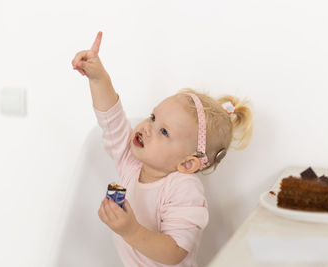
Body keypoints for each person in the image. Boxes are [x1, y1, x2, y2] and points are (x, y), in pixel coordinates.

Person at [71, 31, 253, 267]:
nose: (147, 127)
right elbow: (111, 118)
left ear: (187, 163)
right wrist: (98, 78)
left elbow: (176, 251)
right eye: (153, 117)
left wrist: (131, 230)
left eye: (164, 131)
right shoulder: (132, 161)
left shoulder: (183, 189)